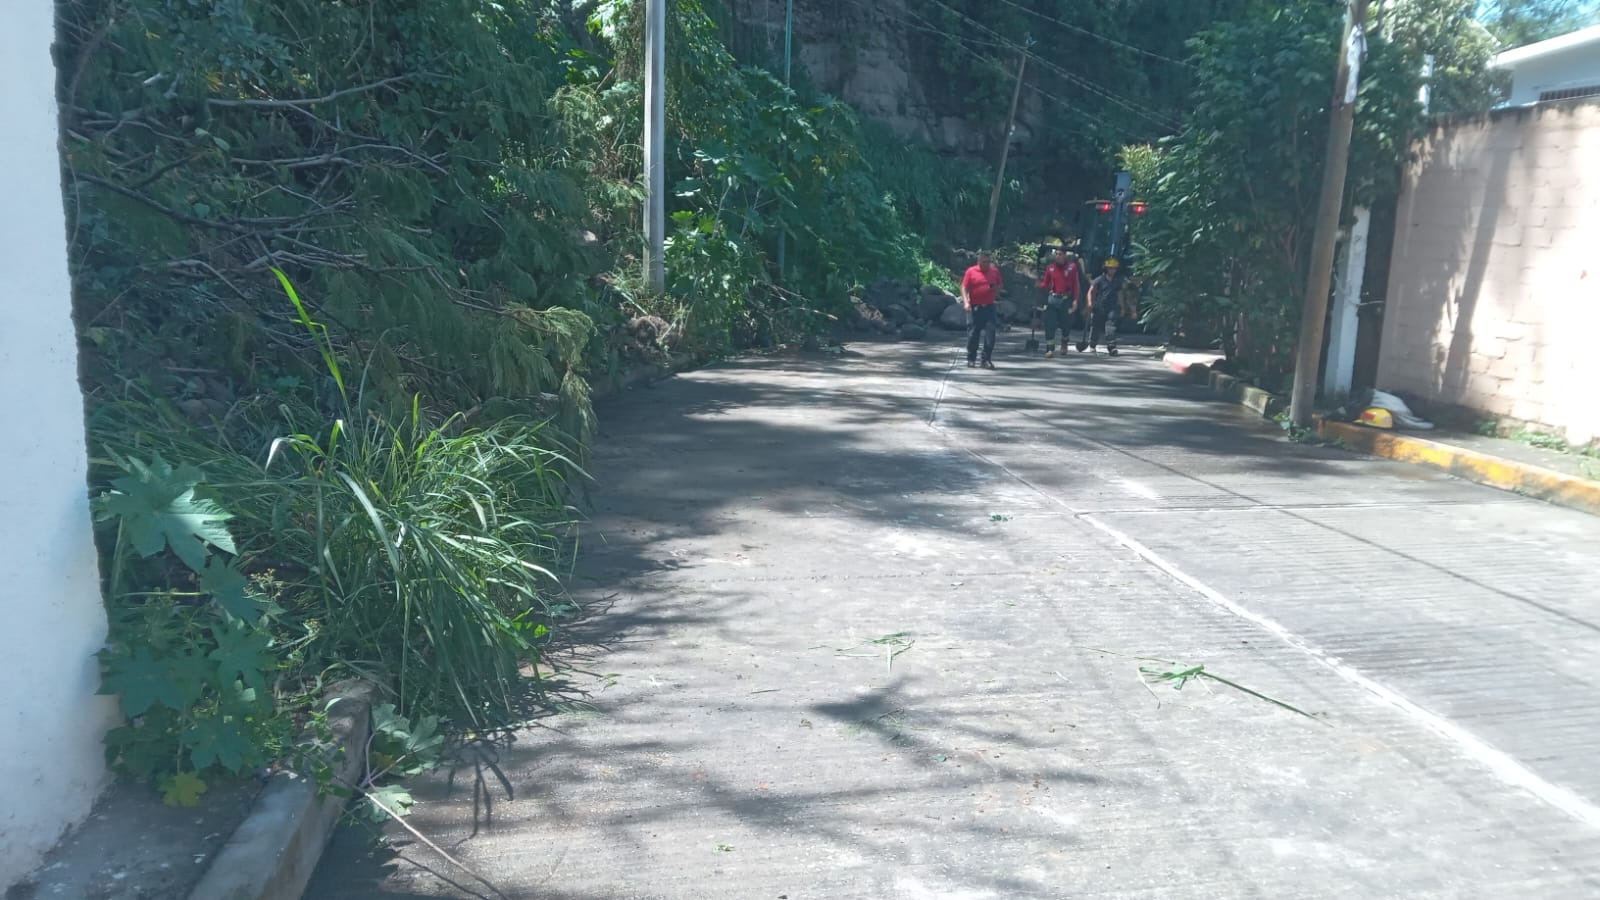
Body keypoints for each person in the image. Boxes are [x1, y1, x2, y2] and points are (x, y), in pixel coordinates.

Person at [1082, 257, 1135, 356]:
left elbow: (1119, 294)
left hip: (1112, 307)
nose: (1112, 270)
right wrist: (1089, 303)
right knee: (1095, 326)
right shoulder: (1099, 280)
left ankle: (1111, 347)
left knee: (1111, 326)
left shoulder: (1117, 281)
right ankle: (1092, 345)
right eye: (1110, 268)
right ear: (1106, 269)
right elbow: (1091, 291)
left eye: (1114, 268)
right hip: (1099, 306)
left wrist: (1122, 307)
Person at [1036, 246, 1081, 358]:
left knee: (1066, 324)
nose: (1057, 256)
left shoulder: (1072, 267)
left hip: (1066, 299)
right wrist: (1039, 285)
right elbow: (1046, 283)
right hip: (1053, 298)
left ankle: (1064, 341)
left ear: (1065, 255)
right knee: (1050, 324)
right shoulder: (1050, 268)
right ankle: (1050, 348)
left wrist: (1075, 300)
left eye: (1060, 254)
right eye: (1056, 254)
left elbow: (1076, 285)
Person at [961, 250, 1003, 369]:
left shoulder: (994, 271)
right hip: (975, 307)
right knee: (973, 334)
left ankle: (986, 359)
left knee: (991, 334)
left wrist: (996, 288)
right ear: (978, 261)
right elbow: (964, 287)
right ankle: (971, 358)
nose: (986, 264)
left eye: (988, 262)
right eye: (984, 262)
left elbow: (1000, 285)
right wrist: (966, 302)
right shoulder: (971, 271)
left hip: (989, 306)